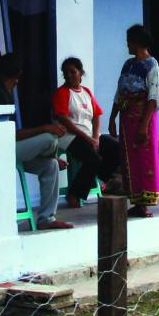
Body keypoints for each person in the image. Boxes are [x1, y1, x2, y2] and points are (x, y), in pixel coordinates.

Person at [0, 53, 72, 230]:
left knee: (50, 165)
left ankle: (46, 218)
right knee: (49, 137)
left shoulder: (6, 93)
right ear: (15, 76)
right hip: (1, 149)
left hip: (13, 149)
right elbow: (10, 135)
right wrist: (44, 128)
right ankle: (50, 154)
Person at [52, 57, 121, 209]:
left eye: (73, 71)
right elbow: (64, 120)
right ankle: (74, 194)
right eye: (66, 73)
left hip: (89, 136)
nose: (69, 75)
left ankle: (100, 180)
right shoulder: (62, 93)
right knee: (93, 158)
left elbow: (96, 116)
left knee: (116, 148)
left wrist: (96, 137)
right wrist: (89, 139)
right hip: (69, 136)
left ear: (81, 73)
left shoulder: (87, 92)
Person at [109, 24, 159, 218]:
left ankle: (145, 202)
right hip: (126, 118)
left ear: (137, 42)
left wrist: (143, 126)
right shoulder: (128, 65)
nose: (127, 46)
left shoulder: (151, 65)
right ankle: (136, 201)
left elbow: (153, 97)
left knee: (144, 158)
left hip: (143, 117)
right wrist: (113, 117)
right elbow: (120, 92)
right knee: (129, 159)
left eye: (129, 42)